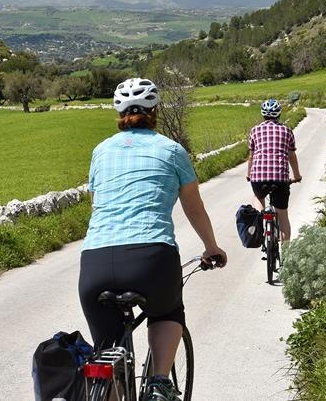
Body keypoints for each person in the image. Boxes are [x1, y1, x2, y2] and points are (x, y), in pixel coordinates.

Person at [78, 77, 227, 401]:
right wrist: (211, 247)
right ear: (155, 110)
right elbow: (195, 209)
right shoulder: (172, 151)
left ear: (118, 113)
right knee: (167, 312)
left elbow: (97, 206)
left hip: (95, 263)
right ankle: (160, 381)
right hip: (151, 258)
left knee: (107, 351)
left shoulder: (100, 152)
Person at [246, 98, 302, 242]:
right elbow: (292, 156)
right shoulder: (287, 130)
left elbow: (251, 157)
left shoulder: (255, 130)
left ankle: (259, 223)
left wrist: (248, 175)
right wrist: (297, 176)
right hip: (280, 178)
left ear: (263, 114)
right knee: (282, 215)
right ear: (279, 114)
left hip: (258, 177)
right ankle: (286, 252)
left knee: (258, 197)